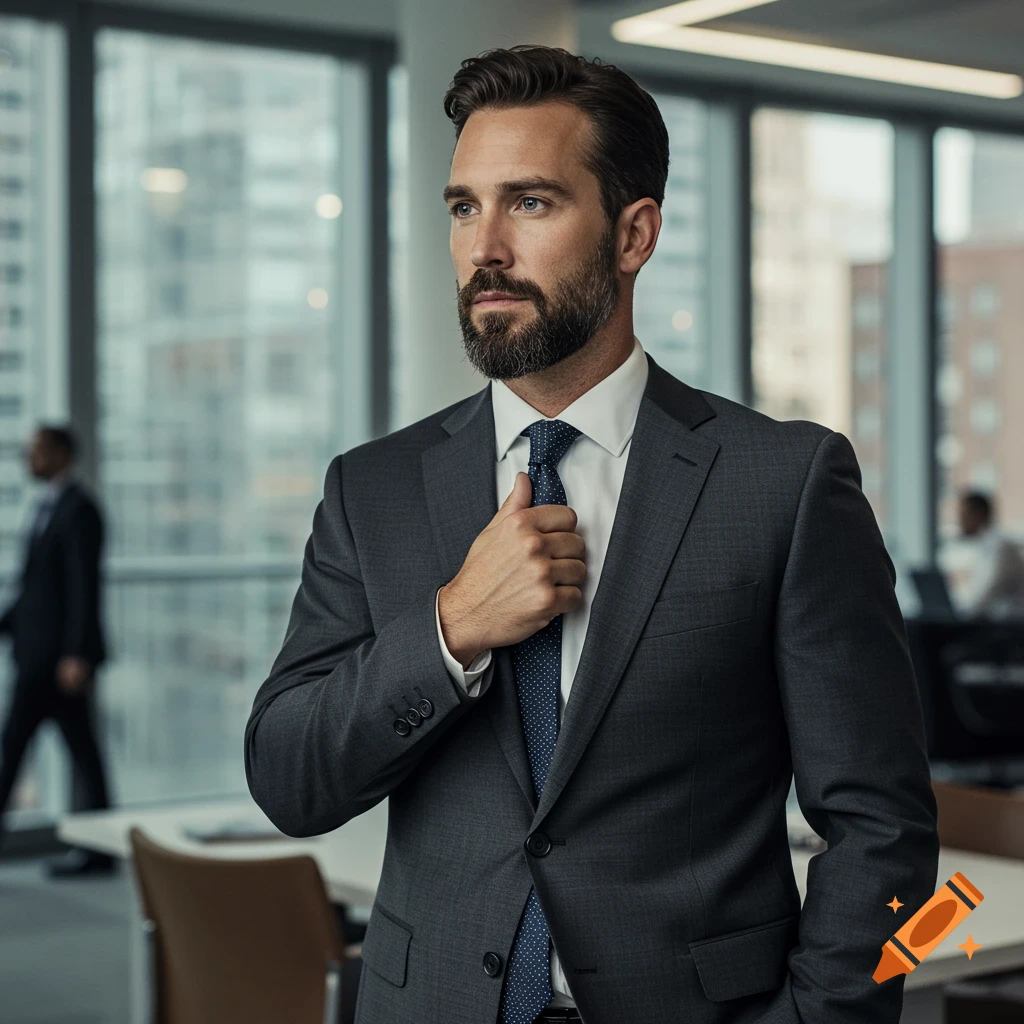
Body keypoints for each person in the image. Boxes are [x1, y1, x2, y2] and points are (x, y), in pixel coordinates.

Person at [245, 45, 939, 1024]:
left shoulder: (783, 482)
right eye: (462, 206)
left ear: (633, 233)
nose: (485, 244)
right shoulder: (374, 488)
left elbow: (887, 830)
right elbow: (287, 779)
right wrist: (449, 629)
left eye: (529, 203)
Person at [0, 425, 114, 876]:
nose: (29, 458)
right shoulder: (45, 506)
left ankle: (102, 848)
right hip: (35, 654)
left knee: (26, 749)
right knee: (79, 753)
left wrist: (78, 654)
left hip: (58, 662)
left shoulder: (81, 510)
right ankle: (102, 849)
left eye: (37, 451)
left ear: (62, 454)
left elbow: (84, 589)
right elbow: (36, 589)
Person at [956, 489, 1024, 620]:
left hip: (1010, 628)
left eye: (963, 515)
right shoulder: (985, 546)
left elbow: (987, 596)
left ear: (978, 514)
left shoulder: (1002, 547)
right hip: (995, 624)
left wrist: (959, 613)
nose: (959, 521)